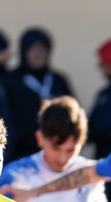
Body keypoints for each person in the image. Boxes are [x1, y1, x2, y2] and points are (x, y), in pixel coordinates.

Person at [5, 27, 74, 162]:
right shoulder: (10, 81)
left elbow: (72, 115)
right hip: (21, 154)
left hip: (55, 155)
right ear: (24, 52)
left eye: (43, 49)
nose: (39, 54)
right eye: (33, 49)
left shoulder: (58, 80)